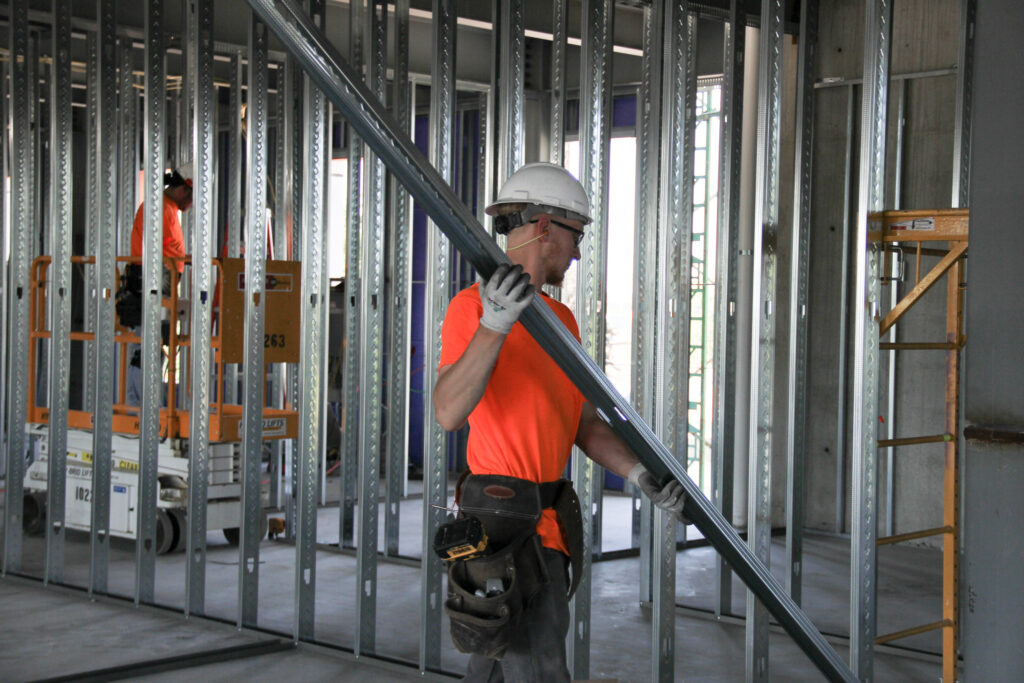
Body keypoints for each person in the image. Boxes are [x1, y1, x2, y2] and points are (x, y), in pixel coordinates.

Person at [434, 162, 689, 682]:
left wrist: (639, 474)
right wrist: (494, 326)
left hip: (549, 525)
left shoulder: (561, 322)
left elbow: (582, 423)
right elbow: (447, 412)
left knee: (492, 667)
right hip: (502, 527)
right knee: (541, 667)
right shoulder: (471, 309)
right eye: (576, 235)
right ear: (546, 226)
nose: (576, 252)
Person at [125, 166, 193, 406]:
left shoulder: (167, 208)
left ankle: (144, 400)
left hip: (158, 281)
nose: (192, 202)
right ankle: (143, 402)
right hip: (151, 280)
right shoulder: (159, 208)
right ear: (183, 187)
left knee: (152, 342)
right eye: (191, 195)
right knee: (148, 343)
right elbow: (153, 249)